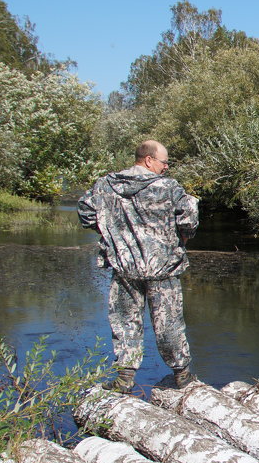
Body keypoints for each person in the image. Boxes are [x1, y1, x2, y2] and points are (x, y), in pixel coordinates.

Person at [78, 140, 199, 392]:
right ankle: (182, 376)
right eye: (164, 162)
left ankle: (124, 380)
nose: (166, 167)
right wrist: (182, 237)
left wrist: (111, 232)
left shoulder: (106, 185)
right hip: (162, 268)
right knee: (169, 323)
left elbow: (85, 213)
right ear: (148, 160)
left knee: (124, 322)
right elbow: (189, 220)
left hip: (124, 267)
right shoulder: (169, 187)